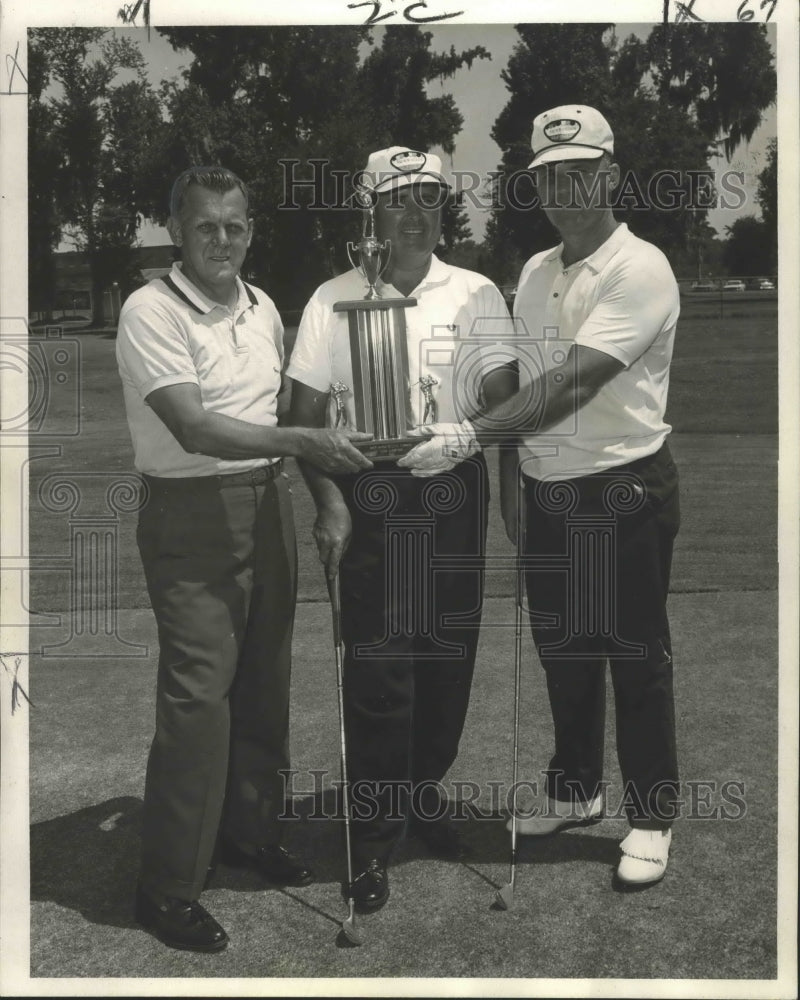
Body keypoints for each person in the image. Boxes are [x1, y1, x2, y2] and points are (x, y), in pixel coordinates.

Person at [116, 166, 373, 952]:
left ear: (250, 230)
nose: (221, 240)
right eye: (205, 227)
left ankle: (249, 832)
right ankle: (167, 886)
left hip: (268, 507)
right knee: (199, 698)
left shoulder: (262, 307)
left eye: (234, 226)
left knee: (264, 683)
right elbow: (197, 427)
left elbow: (270, 418)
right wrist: (305, 442)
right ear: (175, 228)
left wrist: (325, 500)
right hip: (190, 513)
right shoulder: (149, 310)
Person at [452, 106, 682, 888]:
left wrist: (466, 438)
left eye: (579, 170)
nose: (562, 185)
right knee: (566, 656)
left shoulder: (639, 266)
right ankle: (577, 790)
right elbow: (521, 382)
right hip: (549, 496)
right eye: (549, 174)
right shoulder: (537, 270)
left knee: (636, 656)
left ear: (610, 175)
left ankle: (650, 817)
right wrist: (512, 482)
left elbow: (572, 382)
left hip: (623, 487)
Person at [287, 146, 517, 913]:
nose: (415, 213)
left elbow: (502, 394)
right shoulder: (332, 297)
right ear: (370, 212)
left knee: (446, 658)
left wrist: (467, 437)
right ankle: (374, 831)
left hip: (451, 486)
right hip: (372, 494)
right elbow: (300, 419)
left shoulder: (477, 291)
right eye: (398, 199)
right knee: (381, 670)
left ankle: (424, 797)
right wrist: (330, 501)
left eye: (428, 197)